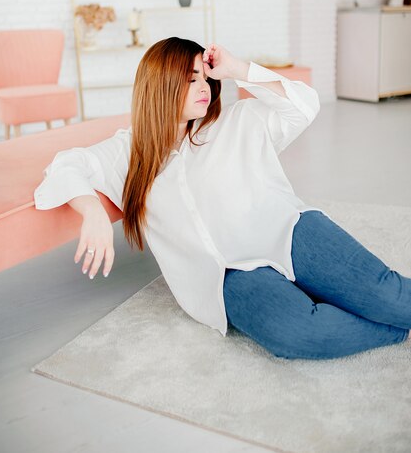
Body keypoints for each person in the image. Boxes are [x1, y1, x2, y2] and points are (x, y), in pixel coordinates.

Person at [34, 37, 411, 360]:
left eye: (204, 76)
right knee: (296, 332)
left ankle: (384, 312)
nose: (203, 86)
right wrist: (92, 213)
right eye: (189, 78)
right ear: (159, 85)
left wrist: (236, 68)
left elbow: (303, 105)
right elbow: (66, 166)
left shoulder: (239, 121)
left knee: (388, 295)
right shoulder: (128, 153)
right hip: (226, 273)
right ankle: (396, 330)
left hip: (289, 230)